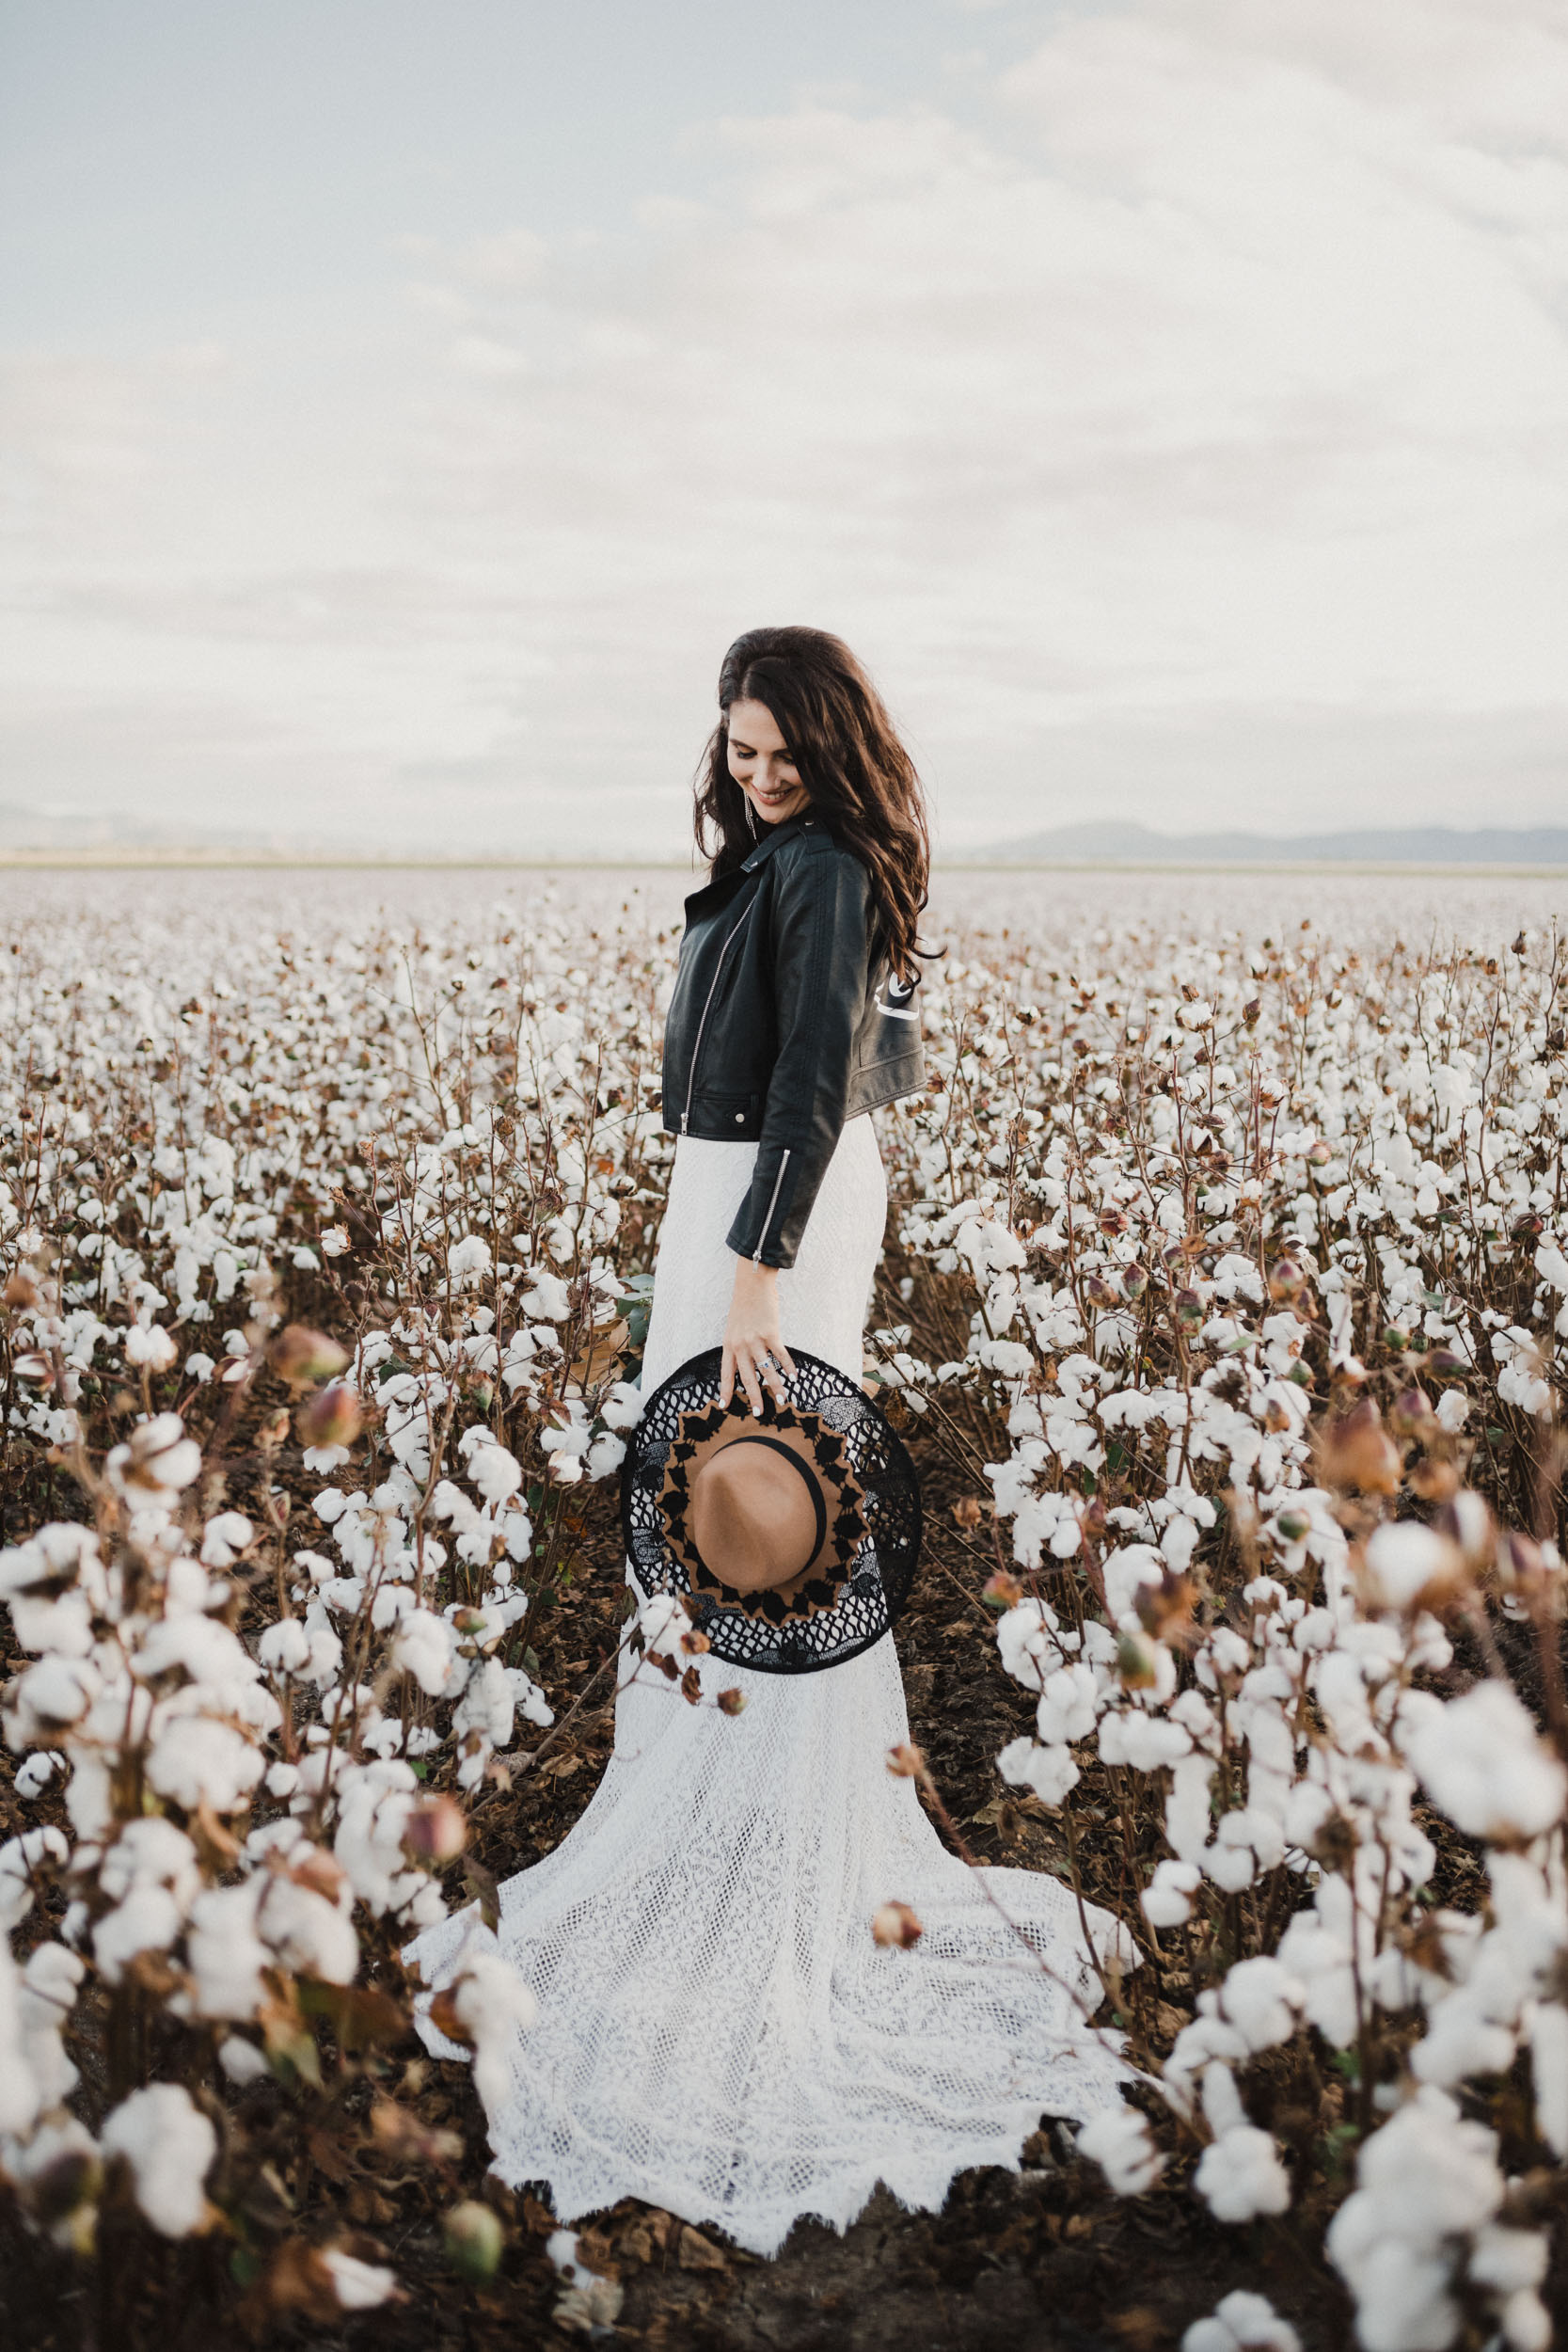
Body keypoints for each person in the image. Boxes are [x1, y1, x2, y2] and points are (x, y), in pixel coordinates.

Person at [404, 627, 1134, 2258]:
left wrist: (754, 1273)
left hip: (766, 1214)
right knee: (726, 1513)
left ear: (832, 735)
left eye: (782, 748)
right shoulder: (779, 861)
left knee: (759, 1511)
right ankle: (730, 1813)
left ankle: (752, 1841)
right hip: (736, 1207)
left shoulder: (823, 871)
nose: (758, 772)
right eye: (737, 752)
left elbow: (811, 1076)